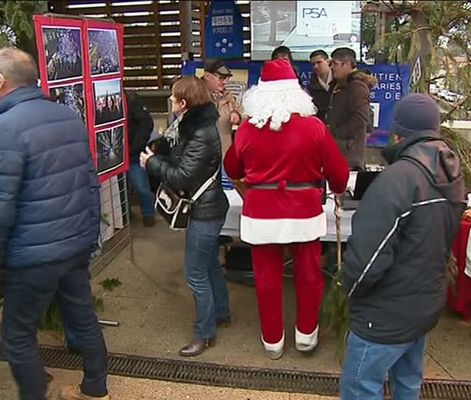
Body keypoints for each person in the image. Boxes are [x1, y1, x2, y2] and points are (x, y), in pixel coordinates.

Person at [0, 48, 108, 400]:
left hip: (30, 256)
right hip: (74, 244)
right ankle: (96, 388)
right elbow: (90, 183)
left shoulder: (1, 130)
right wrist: (90, 235)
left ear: (1, 81)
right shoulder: (68, 117)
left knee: (17, 334)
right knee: (81, 315)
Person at [340, 94, 465, 400]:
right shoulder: (451, 172)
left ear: (398, 132)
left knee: (359, 388)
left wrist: (349, 289)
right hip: (424, 302)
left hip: (386, 312)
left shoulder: (397, 180)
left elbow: (368, 260)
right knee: (407, 383)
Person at [223, 59, 349, 359]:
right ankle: (306, 336)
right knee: (309, 275)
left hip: (261, 212)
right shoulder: (314, 127)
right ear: (296, 94)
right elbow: (340, 177)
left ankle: (273, 341)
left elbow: (231, 168)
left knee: (266, 278)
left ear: (260, 94)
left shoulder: (248, 131)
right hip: (304, 211)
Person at [140, 76, 230, 357]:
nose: (170, 100)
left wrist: (151, 163)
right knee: (209, 265)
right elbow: (180, 154)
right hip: (209, 206)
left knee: (194, 274)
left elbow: (183, 175)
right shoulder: (191, 123)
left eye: (173, 97)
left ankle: (204, 334)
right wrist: (161, 150)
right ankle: (221, 313)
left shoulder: (201, 131)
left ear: (184, 103)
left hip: (206, 210)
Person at [326, 47, 377, 170]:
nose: (332, 67)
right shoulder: (340, 85)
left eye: (335, 64)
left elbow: (361, 118)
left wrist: (339, 137)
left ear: (347, 64)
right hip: (339, 151)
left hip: (348, 155)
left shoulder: (357, 87)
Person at [125, 90, 156, 227]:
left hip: (132, 153)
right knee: (119, 190)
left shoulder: (131, 98)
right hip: (118, 154)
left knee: (141, 187)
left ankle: (148, 214)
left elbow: (146, 123)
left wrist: (136, 146)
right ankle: (126, 215)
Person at [202, 59, 243, 159]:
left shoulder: (229, 97)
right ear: (207, 76)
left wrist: (238, 115)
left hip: (224, 156)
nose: (225, 82)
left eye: (226, 79)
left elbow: (245, 116)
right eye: (221, 78)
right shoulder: (195, 96)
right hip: (202, 159)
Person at [307, 49, 333, 122]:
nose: (316, 66)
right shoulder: (311, 86)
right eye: (313, 64)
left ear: (328, 62)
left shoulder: (339, 79)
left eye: (319, 62)